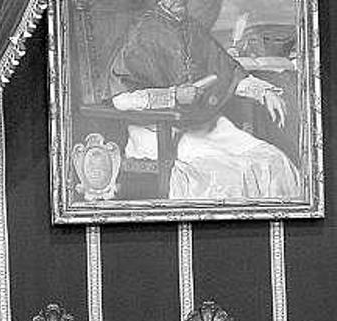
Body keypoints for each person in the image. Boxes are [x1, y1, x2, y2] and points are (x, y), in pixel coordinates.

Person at [108, 0, 300, 200]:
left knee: (275, 160)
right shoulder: (141, 33)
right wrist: (173, 96)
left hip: (207, 126)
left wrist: (263, 92)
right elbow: (121, 99)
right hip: (158, 131)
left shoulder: (193, 29)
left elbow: (227, 72)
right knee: (226, 175)